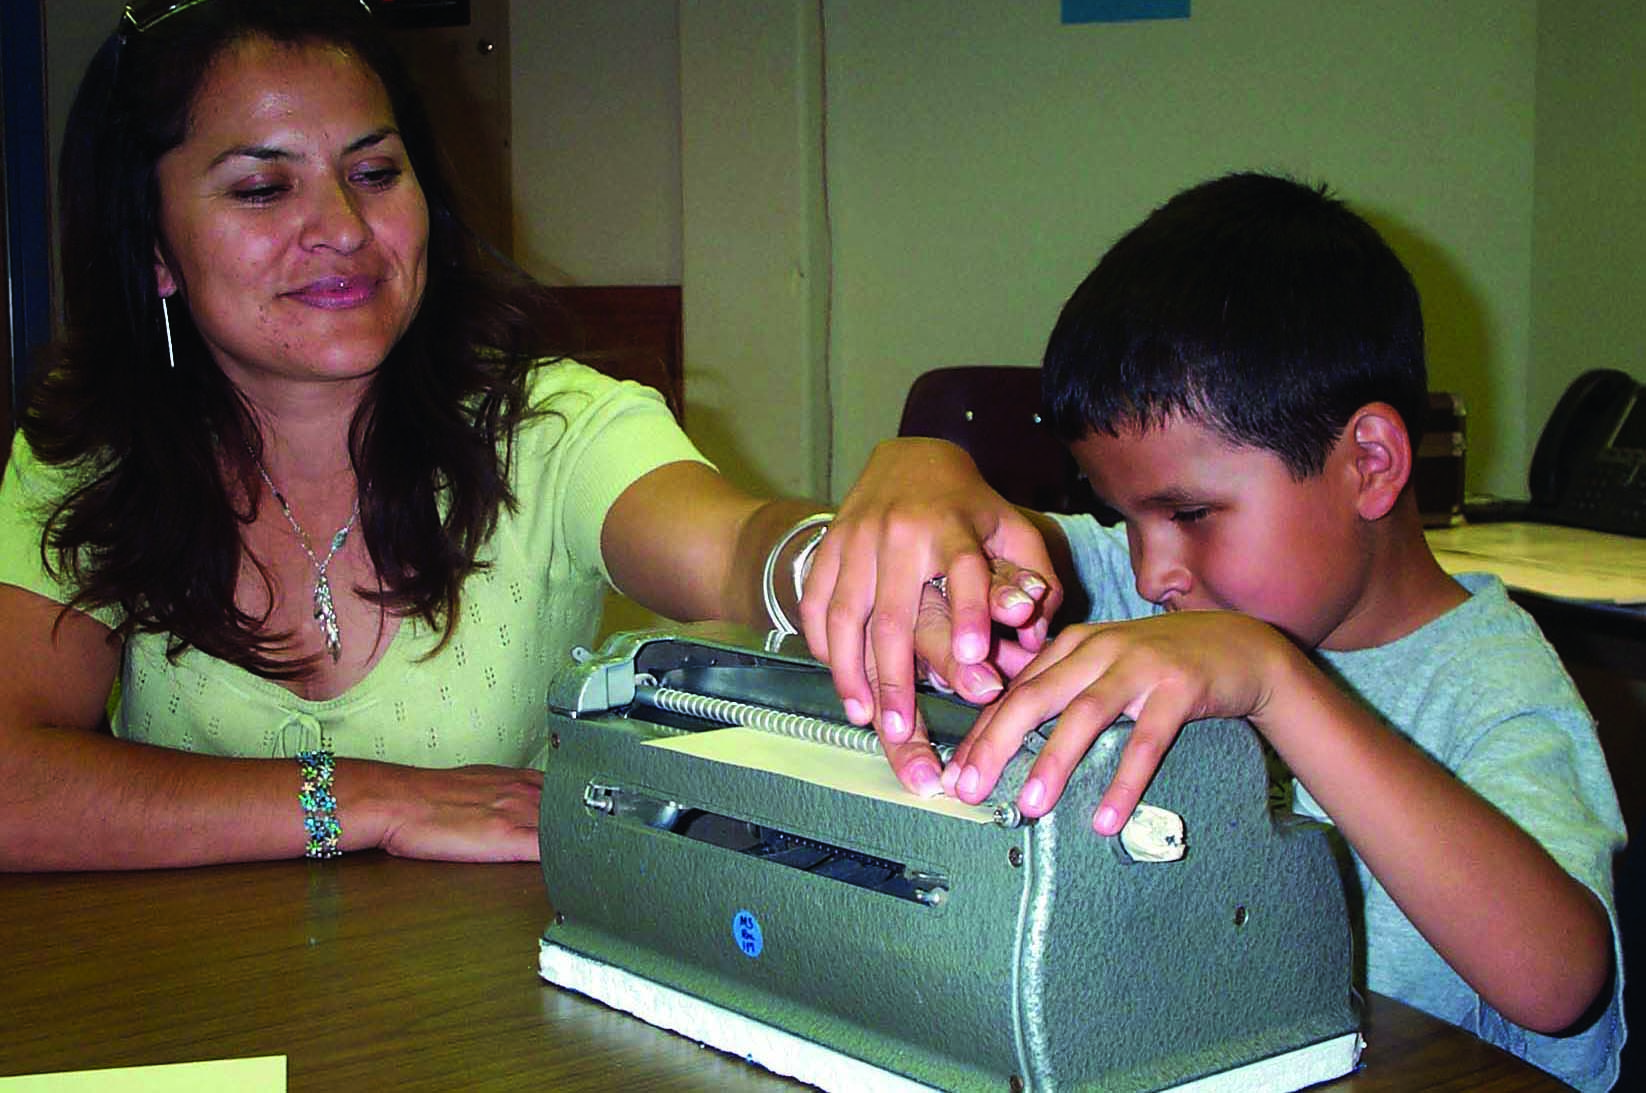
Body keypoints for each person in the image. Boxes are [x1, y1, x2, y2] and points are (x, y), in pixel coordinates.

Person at [0, 0, 1052, 871]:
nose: (345, 228)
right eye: (263, 186)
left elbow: (733, 547)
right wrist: (371, 799)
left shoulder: (550, 425)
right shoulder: (79, 461)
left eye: (375, 172)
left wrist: (849, 563)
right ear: (152, 249)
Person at [834, 173, 1628, 1090]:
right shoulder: (1148, 591)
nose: (1146, 570)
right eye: (1123, 516)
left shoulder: (1491, 683)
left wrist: (1277, 680)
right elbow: (950, 543)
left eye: (1191, 513)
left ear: (1368, 463)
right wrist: (923, 467)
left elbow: (1561, 981)